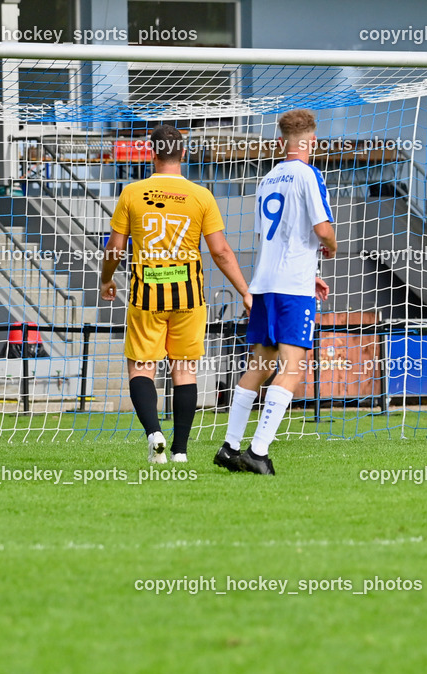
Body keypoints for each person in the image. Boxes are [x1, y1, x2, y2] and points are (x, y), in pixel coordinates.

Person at [100, 124, 252, 464]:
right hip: (189, 296)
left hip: (147, 294)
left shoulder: (132, 193)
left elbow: (115, 248)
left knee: (141, 368)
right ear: (182, 153)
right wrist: (245, 291)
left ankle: (154, 434)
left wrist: (106, 280)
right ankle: (181, 451)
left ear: (152, 154)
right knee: (184, 370)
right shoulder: (201, 196)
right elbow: (222, 252)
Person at [214, 109, 337, 476]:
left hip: (265, 282)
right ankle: (258, 450)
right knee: (294, 367)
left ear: (282, 139)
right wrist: (331, 244)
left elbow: (274, 234)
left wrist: (309, 269)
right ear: (311, 140)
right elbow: (321, 227)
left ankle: (230, 446)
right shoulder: (308, 174)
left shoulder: (268, 178)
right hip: (290, 288)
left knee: (261, 363)